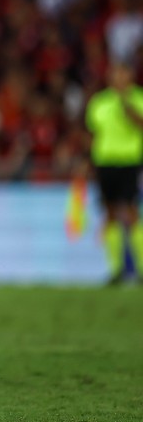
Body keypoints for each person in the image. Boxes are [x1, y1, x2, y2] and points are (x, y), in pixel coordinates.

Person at [85, 61, 143, 285]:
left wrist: (128, 107)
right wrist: (87, 161)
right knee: (109, 214)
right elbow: (93, 133)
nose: (119, 78)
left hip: (129, 161)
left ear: (130, 76)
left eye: (123, 73)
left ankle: (140, 270)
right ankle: (116, 270)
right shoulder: (99, 102)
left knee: (131, 212)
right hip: (104, 162)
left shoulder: (138, 98)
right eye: (115, 74)